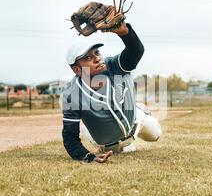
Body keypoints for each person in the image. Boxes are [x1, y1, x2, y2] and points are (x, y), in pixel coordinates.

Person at [61, 21, 162, 163]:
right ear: (77, 69)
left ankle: (138, 108)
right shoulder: (72, 95)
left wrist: (125, 33)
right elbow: (70, 137)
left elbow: (135, 51)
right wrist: (88, 157)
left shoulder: (114, 66)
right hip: (108, 141)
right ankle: (93, 133)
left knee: (156, 134)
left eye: (97, 52)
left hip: (136, 122)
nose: (97, 58)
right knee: (123, 150)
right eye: (88, 58)